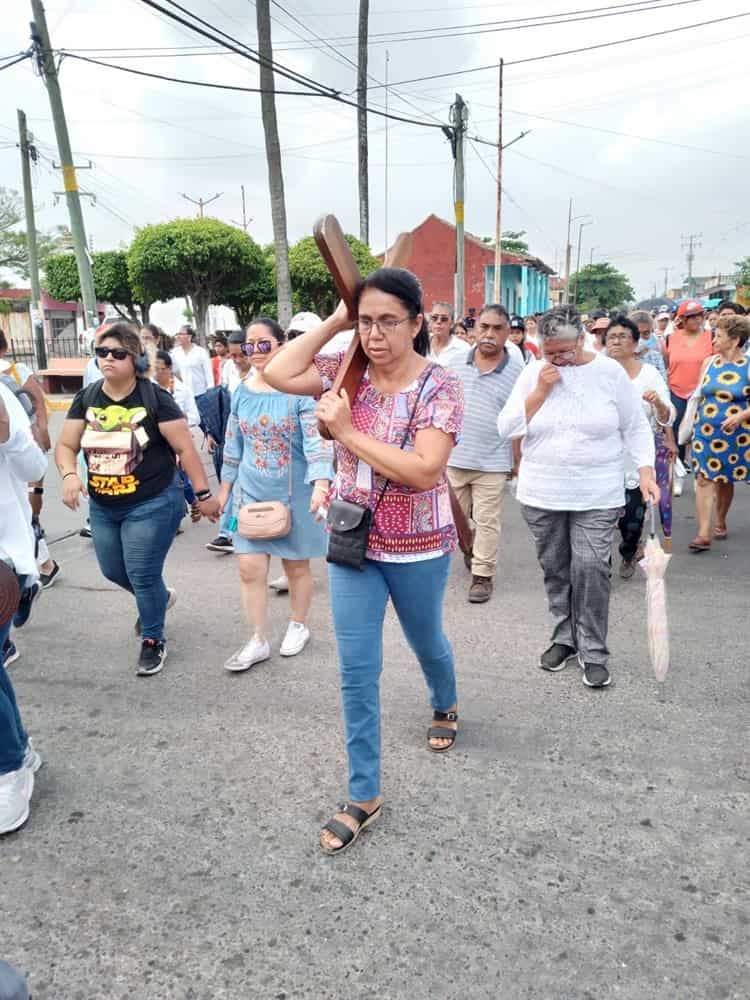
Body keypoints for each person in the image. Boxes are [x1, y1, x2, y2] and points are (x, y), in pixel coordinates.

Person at [264, 267, 464, 855]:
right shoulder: (345, 369)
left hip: (420, 546)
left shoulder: (440, 385)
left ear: (416, 323)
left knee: (427, 640)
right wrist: (336, 320)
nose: (375, 334)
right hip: (354, 542)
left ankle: (444, 701)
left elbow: (425, 470)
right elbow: (275, 370)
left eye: (388, 321)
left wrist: (346, 433)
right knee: (356, 670)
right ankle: (364, 792)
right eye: (367, 321)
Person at [497, 306, 658, 690]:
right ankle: (564, 639)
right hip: (542, 491)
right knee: (556, 568)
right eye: (550, 352)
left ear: (584, 340)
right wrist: (540, 390)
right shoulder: (534, 372)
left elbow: (635, 426)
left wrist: (646, 471)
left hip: (597, 491)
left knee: (590, 569)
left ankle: (595, 651)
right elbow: (506, 428)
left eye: (565, 352)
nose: (558, 360)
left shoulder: (608, 373)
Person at [55, 323, 220, 676]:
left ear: (135, 358)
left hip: (153, 501)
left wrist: (203, 495)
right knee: (113, 570)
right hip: (103, 504)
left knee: (142, 573)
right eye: (101, 353)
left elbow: (185, 450)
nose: (108, 359)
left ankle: (152, 639)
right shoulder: (87, 397)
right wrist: (70, 475)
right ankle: (159, 600)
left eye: (117, 353)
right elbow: (67, 445)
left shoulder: (154, 398)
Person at [215, 318, 333, 670]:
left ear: (283, 345)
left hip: (295, 494)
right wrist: (225, 488)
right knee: (249, 568)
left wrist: (322, 484)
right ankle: (256, 639)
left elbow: (317, 442)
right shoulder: (242, 392)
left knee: (296, 566)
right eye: (250, 347)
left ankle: (298, 624)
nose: (255, 353)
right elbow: (233, 442)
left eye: (264, 344)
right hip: (250, 493)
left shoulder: (300, 392)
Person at [448, 304, 524, 602]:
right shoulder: (454, 364)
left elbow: (519, 421)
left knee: (487, 519)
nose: (489, 334)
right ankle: (469, 547)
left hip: (493, 461)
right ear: (473, 330)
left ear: (508, 333)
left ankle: (482, 575)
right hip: (453, 459)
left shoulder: (517, 374)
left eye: (497, 329)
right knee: (452, 521)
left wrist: (517, 461)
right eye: (484, 327)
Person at [0, 380, 47, 834]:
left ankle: (8, 769)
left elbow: (35, 466)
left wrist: (7, 432)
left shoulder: (1, 395)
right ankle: (18, 751)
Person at [604, 315, 676, 574]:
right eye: (611, 336)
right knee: (600, 517)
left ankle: (630, 548)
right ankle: (601, 565)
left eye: (623, 336)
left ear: (635, 343)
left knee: (631, 519)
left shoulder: (649, 374)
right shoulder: (597, 372)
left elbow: (667, 414)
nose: (616, 341)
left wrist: (657, 403)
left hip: (635, 459)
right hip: (601, 458)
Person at [686, 314, 750, 551]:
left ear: (735, 340)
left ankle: (720, 519)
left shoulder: (748, 365)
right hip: (705, 431)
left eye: (719, 335)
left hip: (735, 435)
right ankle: (703, 533)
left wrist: (740, 416)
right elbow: (699, 393)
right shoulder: (709, 363)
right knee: (704, 478)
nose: (714, 339)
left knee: (725, 481)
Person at [0, 333, 59, 590]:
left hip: (25, 443)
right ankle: (38, 567)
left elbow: (38, 402)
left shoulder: (13, 372)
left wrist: (42, 431)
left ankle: (34, 570)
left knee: (30, 503)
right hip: (21, 447)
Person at [666, 299, 714, 491]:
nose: (695, 320)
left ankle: (699, 475)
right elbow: (666, 362)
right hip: (676, 390)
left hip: (702, 393)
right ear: (681, 319)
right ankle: (678, 475)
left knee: (700, 434)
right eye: (690, 316)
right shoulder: (671, 338)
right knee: (676, 434)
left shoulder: (711, 337)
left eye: (698, 315)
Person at [153, 351, 200, 427]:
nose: (156, 373)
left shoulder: (184, 390)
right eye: (154, 369)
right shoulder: (148, 388)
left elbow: (196, 418)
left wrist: (181, 416)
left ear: (170, 368)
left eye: (160, 369)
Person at [170, 326, 213, 401]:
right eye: (177, 334)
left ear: (189, 337)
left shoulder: (200, 352)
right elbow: (172, 371)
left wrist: (210, 390)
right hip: (182, 395)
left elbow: (208, 372)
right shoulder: (174, 353)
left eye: (181, 334)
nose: (178, 337)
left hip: (200, 393)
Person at [427, 302, 469, 368]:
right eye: (434, 318)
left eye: (444, 319)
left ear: (452, 324)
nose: (438, 322)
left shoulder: (463, 349)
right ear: (430, 321)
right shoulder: (420, 345)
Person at [629, 310, 667, 378]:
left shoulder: (656, 357)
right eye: (636, 333)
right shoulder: (622, 357)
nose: (640, 338)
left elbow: (663, 383)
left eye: (646, 333)